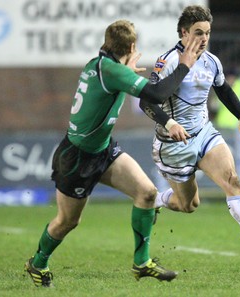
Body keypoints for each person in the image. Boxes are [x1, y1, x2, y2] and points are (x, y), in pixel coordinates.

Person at [24, 19, 202, 287]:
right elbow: (156, 94)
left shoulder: (101, 65)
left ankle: (142, 263)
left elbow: (116, 81)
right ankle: (37, 263)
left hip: (103, 150)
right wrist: (185, 64)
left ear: (107, 43)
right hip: (77, 159)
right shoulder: (113, 71)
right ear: (132, 45)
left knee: (147, 192)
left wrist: (125, 69)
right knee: (68, 221)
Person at [140, 5, 240, 261]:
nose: (204, 38)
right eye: (198, 32)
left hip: (204, 134)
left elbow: (225, 92)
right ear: (184, 33)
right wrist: (169, 123)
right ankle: (156, 200)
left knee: (232, 180)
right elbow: (147, 102)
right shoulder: (168, 61)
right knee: (189, 205)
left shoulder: (212, 61)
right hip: (174, 145)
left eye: (207, 32)